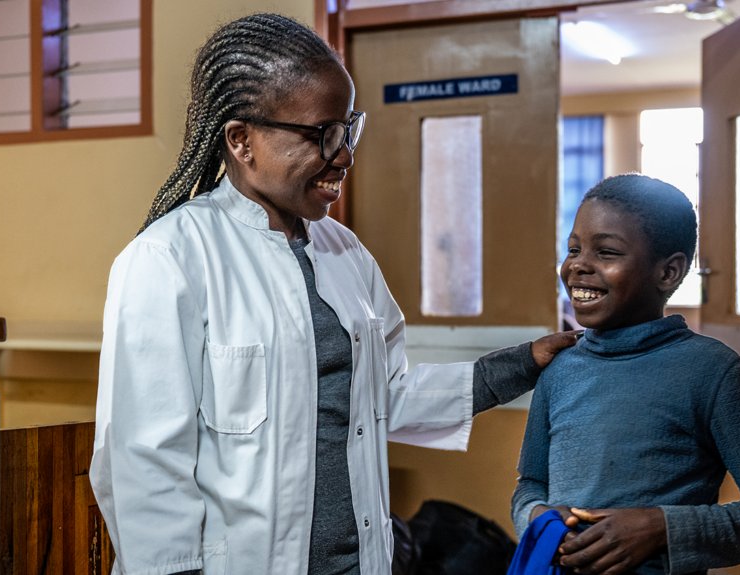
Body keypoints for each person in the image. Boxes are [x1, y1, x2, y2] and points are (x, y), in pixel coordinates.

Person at [89, 14, 577, 575]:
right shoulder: (170, 258)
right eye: (321, 133)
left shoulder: (343, 251)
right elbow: (145, 463)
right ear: (241, 140)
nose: (343, 155)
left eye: (348, 128)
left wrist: (520, 365)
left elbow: (385, 396)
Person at [511, 174, 740, 575]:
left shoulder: (712, 372)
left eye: (607, 252)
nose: (578, 265)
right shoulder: (560, 367)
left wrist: (661, 527)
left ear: (667, 273)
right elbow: (530, 484)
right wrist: (540, 519)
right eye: (574, 249)